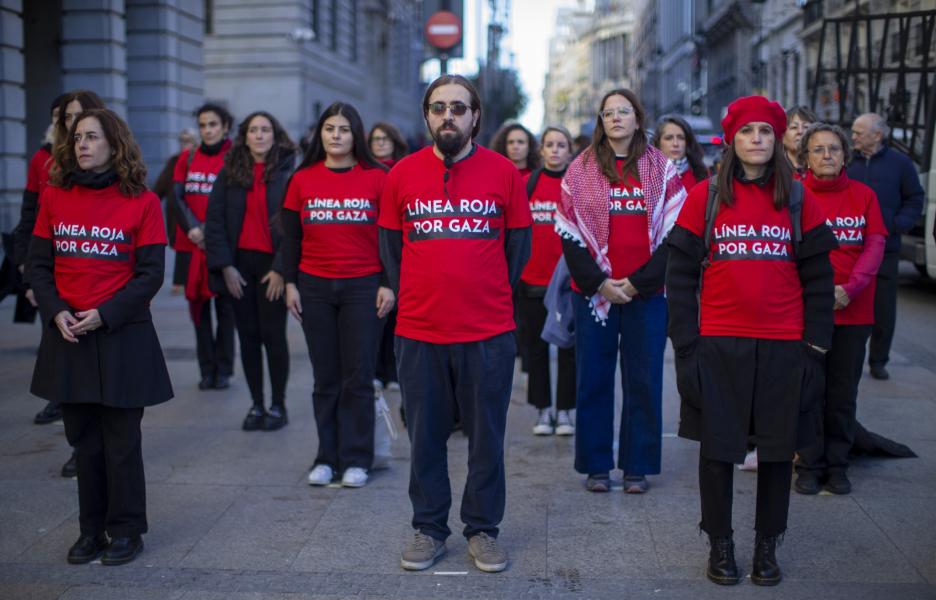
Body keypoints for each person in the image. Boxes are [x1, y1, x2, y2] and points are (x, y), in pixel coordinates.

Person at [666, 95, 837, 586]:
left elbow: (820, 283)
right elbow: (680, 278)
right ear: (731, 139)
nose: (756, 140)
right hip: (719, 345)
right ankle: (720, 545)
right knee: (717, 451)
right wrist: (686, 345)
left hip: (786, 345)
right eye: (747, 132)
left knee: (779, 453)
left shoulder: (801, 199)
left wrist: (816, 348)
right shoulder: (706, 196)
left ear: (779, 139)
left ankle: (767, 547)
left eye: (765, 131)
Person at [379, 74, 532, 573]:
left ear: (475, 117)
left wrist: (483, 292)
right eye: (439, 107)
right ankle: (428, 527)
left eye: (459, 108)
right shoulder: (400, 174)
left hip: (488, 333)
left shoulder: (504, 173)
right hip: (419, 332)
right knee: (424, 436)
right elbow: (390, 249)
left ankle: (483, 529)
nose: (449, 116)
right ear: (427, 115)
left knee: (487, 437)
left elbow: (517, 246)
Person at [28, 108, 173, 566]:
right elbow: (39, 266)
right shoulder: (54, 196)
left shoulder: (143, 202)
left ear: (115, 144)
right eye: (76, 138)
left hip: (122, 336)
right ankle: (90, 531)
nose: (82, 145)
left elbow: (150, 275)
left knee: (122, 442)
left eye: (92, 137)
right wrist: (56, 313)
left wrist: (104, 314)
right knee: (83, 443)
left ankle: (127, 530)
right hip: (68, 335)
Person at [556, 89, 686, 494]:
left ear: (637, 117)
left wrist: (635, 283)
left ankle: (636, 466)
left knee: (644, 380)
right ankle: (596, 466)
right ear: (601, 120)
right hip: (594, 294)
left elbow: (674, 236)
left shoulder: (661, 169)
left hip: (645, 294)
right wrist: (600, 284)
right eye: (608, 112)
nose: (616, 118)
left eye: (623, 111)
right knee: (593, 379)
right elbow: (569, 234)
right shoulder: (580, 169)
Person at [282, 102, 393, 488]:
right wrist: (290, 282)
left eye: (344, 129)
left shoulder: (377, 178)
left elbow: (389, 237)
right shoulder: (302, 179)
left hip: (363, 286)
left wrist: (388, 283)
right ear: (320, 134)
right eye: (329, 129)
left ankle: (357, 458)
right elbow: (291, 236)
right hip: (313, 287)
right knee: (325, 378)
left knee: (358, 377)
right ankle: (326, 457)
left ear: (355, 135)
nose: (336, 136)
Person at [17, 89, 107, 479]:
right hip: (53, 285)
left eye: (82, 118)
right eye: (68, 118)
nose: (75, 126)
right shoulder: (45, 162)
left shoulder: (106, 170)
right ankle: (78, 447)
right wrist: (28, 274)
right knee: (66, 368)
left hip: (96, 293)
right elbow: (28, 216)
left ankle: (96, 444)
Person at [794, 123, 886, 495]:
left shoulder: (864, 195)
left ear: (845, 155)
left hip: (854, 310)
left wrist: (850, 288)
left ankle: (837, 465)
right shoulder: (795, 196)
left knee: (842, 392)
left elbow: (875, 245)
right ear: (805, 158)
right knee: (807, 391)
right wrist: (818, 292)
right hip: (807, 311)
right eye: (818, 150)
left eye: (833, 149)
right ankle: (809, 464)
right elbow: (788, 251)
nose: (826, 155)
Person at [206, 111, 296, 431]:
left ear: (275, 135)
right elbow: (214, 221)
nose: (259, 135)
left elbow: (294, 225)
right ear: (244, 136)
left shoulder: (288, 171)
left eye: (265, 130)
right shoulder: (230, 171)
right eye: (253, 130)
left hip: (273, 267)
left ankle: (278, 405)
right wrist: (226, 266)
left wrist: (281, 270)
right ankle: (256, 404)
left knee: (273, 336)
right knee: (247, 338)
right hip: (239, 265)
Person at [848, 112, 925, 380]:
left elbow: (915, 198)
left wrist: (897, 224)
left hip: (885, 248)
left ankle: (878, 360)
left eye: (859, 132)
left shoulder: (900, 164)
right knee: (848, 302)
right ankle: (847, 355)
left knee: (883, 309)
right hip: (849, 248)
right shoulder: (846, 161)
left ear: (877, 135)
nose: (853, 137)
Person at [13, 93, 68, 424]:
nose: (65, 122)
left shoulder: (91, 157)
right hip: (48, 260)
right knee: (52, 335)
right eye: (59, 116)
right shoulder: (41, 158)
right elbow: (29, 211)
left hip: (80, 261)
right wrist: (26, 265)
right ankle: (57, 398)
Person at [172, 103, 236, 390]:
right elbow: (177, 198)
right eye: (203, 125)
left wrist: (207, 231)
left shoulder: (235, 158)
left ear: (224, 127)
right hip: (192, 246)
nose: (207, 130)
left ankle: (223, 370)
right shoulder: (186, 158)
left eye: (213, 124)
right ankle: (205, 370)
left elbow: (233, 202)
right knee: (198, 312)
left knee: (225, 311)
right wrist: (192, 229)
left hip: (220, 245)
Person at [519, 126, 576, 435]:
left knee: (568, 348)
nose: (555, 150)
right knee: (536, 350)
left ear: (569, 151)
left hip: (568, 283)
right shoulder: (527, 184)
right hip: (531, 281)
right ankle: (543, 411)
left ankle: (565, 411)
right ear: (540, 150)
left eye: (561, 145)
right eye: (549, 145)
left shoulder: (577, 185)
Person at [368, 122, 410, 391]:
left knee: (395, 315)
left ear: (395, 141)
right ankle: (374, 370)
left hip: (399, 249)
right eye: (376, 139)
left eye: (385, 138)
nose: (381, 143)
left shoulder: (403, 172)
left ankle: (392, 372)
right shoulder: (365, 171)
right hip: (371, 250)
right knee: (375, 316)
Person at [152, 128, 197, 295]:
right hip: (176, 209)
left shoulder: (199, 160)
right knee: (181, 244)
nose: (186, 144)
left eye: (189, 140)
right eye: (183, 141)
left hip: (195, 209)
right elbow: (161, 185)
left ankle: (190, 279)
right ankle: (179, 281)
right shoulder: (174, 161)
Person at [652, 115, 709, 192]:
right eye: (669, 138)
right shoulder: (646, 174)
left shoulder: (701, 174)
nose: (675, 144)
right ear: (658, 142)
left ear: (687, 142)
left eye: (681, 138)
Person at [782, 106, 818, 175]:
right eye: (794, 127)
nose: (800, 131)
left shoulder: (824, 169)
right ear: (782, 136)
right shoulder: (774, 171)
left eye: (806, 127)